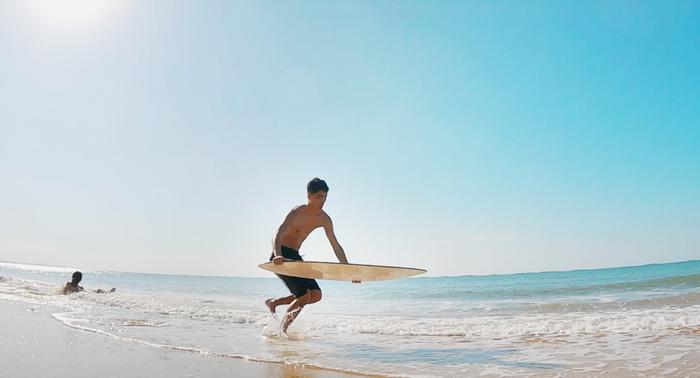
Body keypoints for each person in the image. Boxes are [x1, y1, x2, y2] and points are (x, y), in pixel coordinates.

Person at [265, 177, 359, 333]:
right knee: (303, 297)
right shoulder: (297, 212)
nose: (323, 201)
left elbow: (335, 246)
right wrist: (278, 254)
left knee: (315, 295)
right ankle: (283, 331)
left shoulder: (325, 219)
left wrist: (347, 269)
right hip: (282, 257)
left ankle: (274, 303)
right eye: (319, 197)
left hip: (295, 256)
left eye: (325, 197)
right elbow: (278, 234)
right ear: (309, 196)